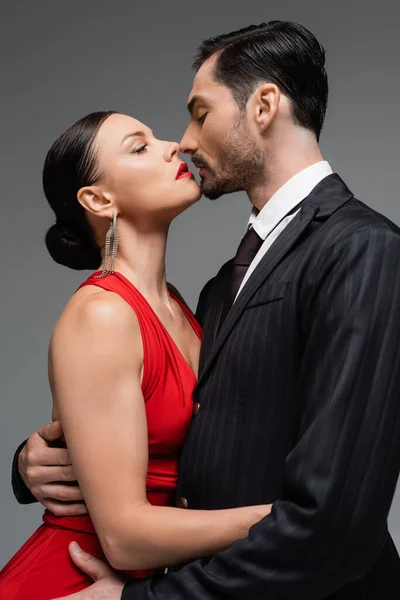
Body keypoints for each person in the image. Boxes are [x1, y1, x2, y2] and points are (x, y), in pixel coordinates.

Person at [10, 20, 400, 600]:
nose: (183, 142)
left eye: (200, 112)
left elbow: (332, 512)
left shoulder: (360, 248)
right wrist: (30, 462)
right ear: (98, 200)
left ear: (264, 106)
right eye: (143, 145)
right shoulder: (214, 292)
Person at [0, 110, 272, 599]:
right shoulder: (102, 315)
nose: (173, 146)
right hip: (71, 585)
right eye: (139, 146)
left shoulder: (182, 307)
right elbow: (124, 539)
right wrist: (283, 519)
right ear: (99, 199)